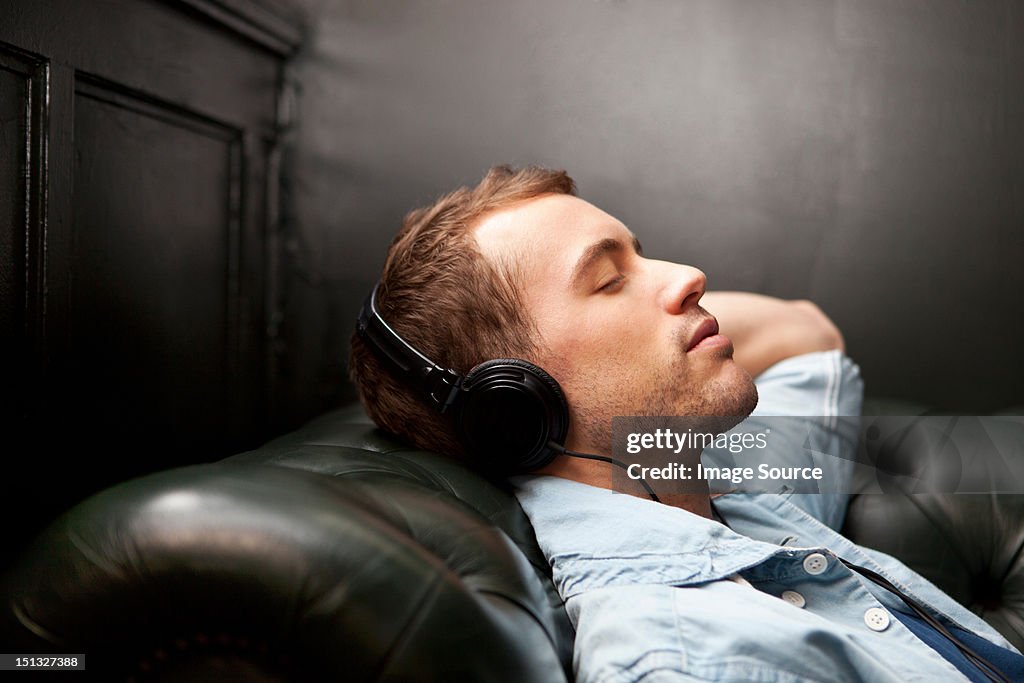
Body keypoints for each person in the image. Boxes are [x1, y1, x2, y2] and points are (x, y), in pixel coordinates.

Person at [349, 165, 1022, 682]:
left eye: (642, 255)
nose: (690, 276)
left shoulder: (701, 487)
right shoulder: (694, 655)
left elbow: (806, 334)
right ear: (514, 406)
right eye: (610, 280)